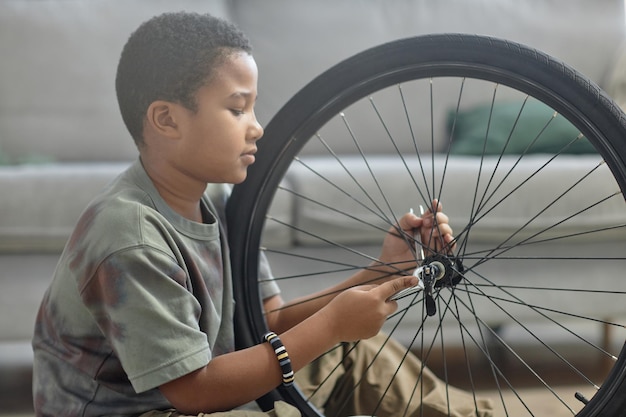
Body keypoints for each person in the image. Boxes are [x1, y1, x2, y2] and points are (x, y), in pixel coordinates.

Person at [31, 11, 492, 417]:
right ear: (167, 120)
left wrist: (381, 271)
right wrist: (330, 324)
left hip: (206, 393)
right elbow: (193, 390)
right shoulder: (129, 234)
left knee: (354, 352)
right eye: (237, 109)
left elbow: (266, 322)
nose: (258, 128)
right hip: (155, 410)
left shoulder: (221, 198)